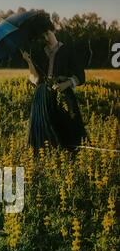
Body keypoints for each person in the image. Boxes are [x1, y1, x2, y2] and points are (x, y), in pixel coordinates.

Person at [21, 16, 87, 150]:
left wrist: (66, 84)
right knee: (43, 136)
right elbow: (35, 79)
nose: (46, 38)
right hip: (42, 98)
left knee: (69, 132)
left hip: (63, 94)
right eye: (42, 36)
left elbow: (81, 76)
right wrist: (28, 61)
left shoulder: (68, 50)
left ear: (53, 30)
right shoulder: (39, 52)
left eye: (47, 33)